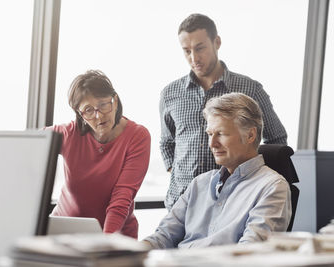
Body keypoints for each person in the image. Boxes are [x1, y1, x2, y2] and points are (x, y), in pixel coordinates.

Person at [160, 13, 288, 210]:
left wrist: (253, 183)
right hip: (181, 203)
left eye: (200, 48)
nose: (194, 58)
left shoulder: (250, 89)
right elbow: (167, 143)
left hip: (233, 204)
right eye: (186, 51)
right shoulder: (170, 93)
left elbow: (277, 139)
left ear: (216, 42)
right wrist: (176, 172)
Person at [144, 93, 291, 248]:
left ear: (250, 135)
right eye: (210, 134)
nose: (212, 144)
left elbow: (250, 253)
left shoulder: (272, 187)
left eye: (221, 134)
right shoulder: (199, 184)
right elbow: (162, 237)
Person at [48, 70, 151, 239]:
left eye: (104, 104)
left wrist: (105, 243)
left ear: (115, 101)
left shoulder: (137, 136)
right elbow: (29, 145)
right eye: (88, 110)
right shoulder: (68, 134)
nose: (99, 115)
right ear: (80, 114)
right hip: (64, 233)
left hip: (115, 237)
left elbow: (121, 199)